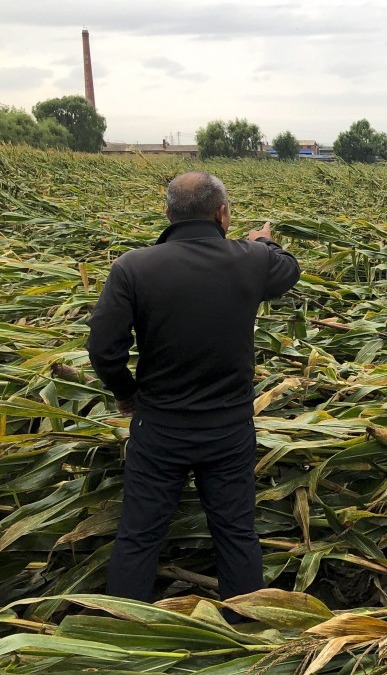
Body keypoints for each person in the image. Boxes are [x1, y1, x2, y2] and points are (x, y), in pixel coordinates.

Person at [87, 171, 300, 605]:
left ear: (168, 213)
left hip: (159, 427)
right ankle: (244, 628)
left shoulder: (133, 267)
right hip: (228, 429)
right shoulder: (251, 260)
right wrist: (264, 241)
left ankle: (120, 630)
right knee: (236, 534)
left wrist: (126, 392)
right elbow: (289, 270)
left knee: (139, 536)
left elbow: (103, 349)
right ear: (222, 213)